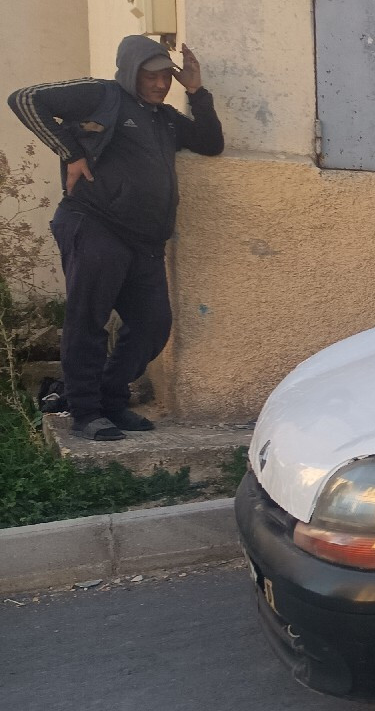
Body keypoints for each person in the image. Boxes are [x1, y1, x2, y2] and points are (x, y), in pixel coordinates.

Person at [7, 36, 224, 440]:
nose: (160, 85)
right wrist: (70, 152)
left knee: (152, 324)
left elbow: (211, 144)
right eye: (150, 76)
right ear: (130, 72)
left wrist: (196, 91)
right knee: (88, 318)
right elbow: (24, 99)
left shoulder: (163, 118)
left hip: (144, 241)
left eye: (165, 77)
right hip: (94, 222)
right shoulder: (102, 95)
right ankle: (87, 413)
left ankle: (109, 399)